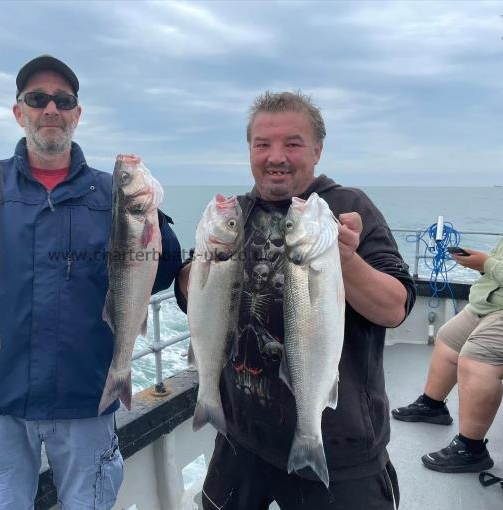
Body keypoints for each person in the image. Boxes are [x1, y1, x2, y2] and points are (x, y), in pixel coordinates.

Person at [175, 91, 416, 509]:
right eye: (262, 144)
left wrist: (345, 259)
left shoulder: (345, 208)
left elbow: (395, 309)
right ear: (249, 149)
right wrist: (199, 268)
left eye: (293, 143)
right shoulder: (235, 215)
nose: (276, 156)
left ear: (318, 149)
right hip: (241, 438)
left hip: (337, 447)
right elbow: (193, 297)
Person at [0, 55, 182, 509]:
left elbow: (160, 274)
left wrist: (152, 220)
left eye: (63, 100)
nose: (51, 109)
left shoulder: (111, 194)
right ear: (18, 111)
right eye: (37, 99)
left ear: (77, 114)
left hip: (87, 399)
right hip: (2, 402)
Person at [392, 240, 503, 473]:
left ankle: (471, 449)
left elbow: (493, 264)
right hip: (488, 305)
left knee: (477, 358)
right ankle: (433, 406)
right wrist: (481, 264)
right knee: (449, 337)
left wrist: (487, 263)